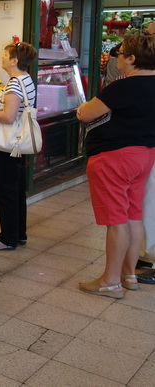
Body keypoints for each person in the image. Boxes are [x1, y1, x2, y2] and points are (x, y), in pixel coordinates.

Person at [76, 34, 155, 298]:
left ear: (131, 59)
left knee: (116, 220)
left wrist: (81, 109)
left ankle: (110, 282)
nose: (116, 57)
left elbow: (85, 113)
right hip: (144, 156)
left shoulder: (122, 87)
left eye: (119, 53)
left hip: (114, 157)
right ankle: (129, 274)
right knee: (133, 215)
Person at [0, 42, 38, 251]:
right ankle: (18, 233)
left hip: (8, 144)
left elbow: (8, 116)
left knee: (6, 191)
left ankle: (7, 238)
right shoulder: (25, 80)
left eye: (5, 55)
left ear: (15, 61)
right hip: (18, 142)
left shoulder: (15, 85)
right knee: (16, 190)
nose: (2, 57)